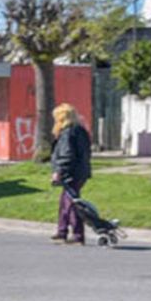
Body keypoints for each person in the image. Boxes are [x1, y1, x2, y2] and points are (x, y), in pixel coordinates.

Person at [49, 103, 92, 245]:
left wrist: (59, 172)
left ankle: (77, 235)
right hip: (80, 172)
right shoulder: (79, 130)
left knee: (71, 204)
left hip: (72, 173)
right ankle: (62, 232)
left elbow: (67, 155)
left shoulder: (68, 133)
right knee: (66, 203)